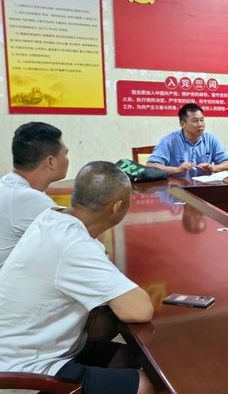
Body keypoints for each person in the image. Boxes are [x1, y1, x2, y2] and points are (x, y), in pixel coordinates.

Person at [0, 161, 155, 394]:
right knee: (149, 383)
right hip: (27, 368)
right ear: (118, 206)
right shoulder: (73, 244)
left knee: (135, 358)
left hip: (30, 347)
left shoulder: (51, 217)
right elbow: (139, 310)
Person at [0, 122, 69, 268]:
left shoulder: (9, 186)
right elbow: (78, 245)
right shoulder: (27, 199)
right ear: (51, 161)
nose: (67, 160)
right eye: (65, 154)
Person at [147, 103, 228, 176]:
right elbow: (151, 166)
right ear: (182, 123)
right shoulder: (169, 141)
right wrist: (177, 170)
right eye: (195, 121)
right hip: (177, 188)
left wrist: (214, 168)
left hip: (204, 187)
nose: (200, 124)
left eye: (202, 120)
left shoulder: (210, 139)